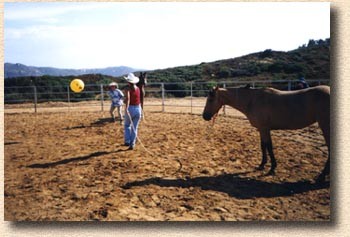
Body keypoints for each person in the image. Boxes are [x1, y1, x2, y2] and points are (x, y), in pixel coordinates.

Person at [123, 73, 142, 150]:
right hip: (138, 108)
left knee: (127, 125)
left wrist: (126, 108)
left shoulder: (127, 89)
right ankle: (132, 143)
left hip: (130, 108)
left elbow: (128, 99)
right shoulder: (138, 88)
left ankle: (127, 141)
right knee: (135, 127)